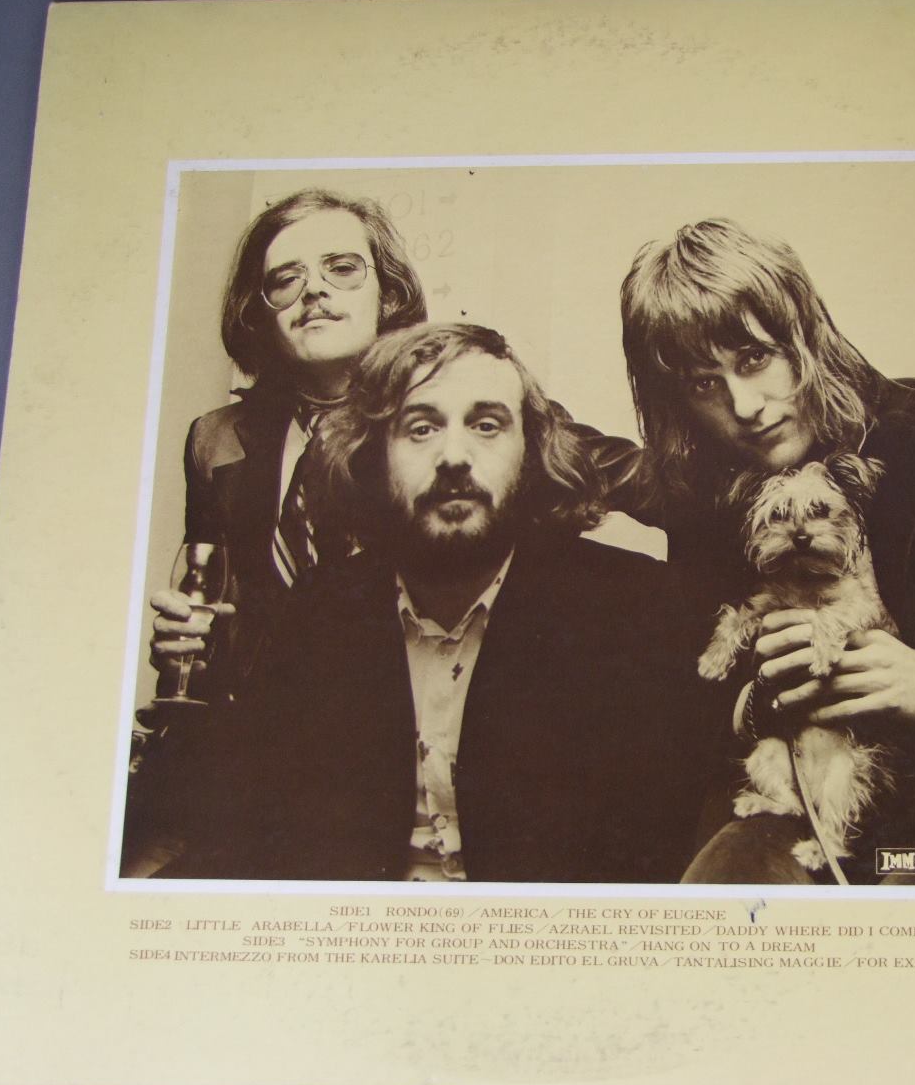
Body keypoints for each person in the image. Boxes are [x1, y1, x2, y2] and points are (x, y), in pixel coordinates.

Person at [157, 323, 706, 882]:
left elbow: (651, 861)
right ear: (374, 457)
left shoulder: (633, 608)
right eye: (420, 428)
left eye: (487, 425)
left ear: (531, 453)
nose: (454, 457)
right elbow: (250, 827)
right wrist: (200, 678)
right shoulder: (317, 612)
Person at [616, 218, 915, 884]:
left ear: (804, 334)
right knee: (720, 896)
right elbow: (698, 701)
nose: (744, 405)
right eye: (704, 384)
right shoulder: (711, 499)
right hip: (800, 792)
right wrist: (764, 698)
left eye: (755, 359)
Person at [147, 187, 429, 702]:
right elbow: (218, 610)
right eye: (285, 280)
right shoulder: (215, 440)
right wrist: (188, 646)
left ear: (388, 295)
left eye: (341, 268)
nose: (313, 290)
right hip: (259, 734)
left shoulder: (445, 420)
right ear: (260, 314)